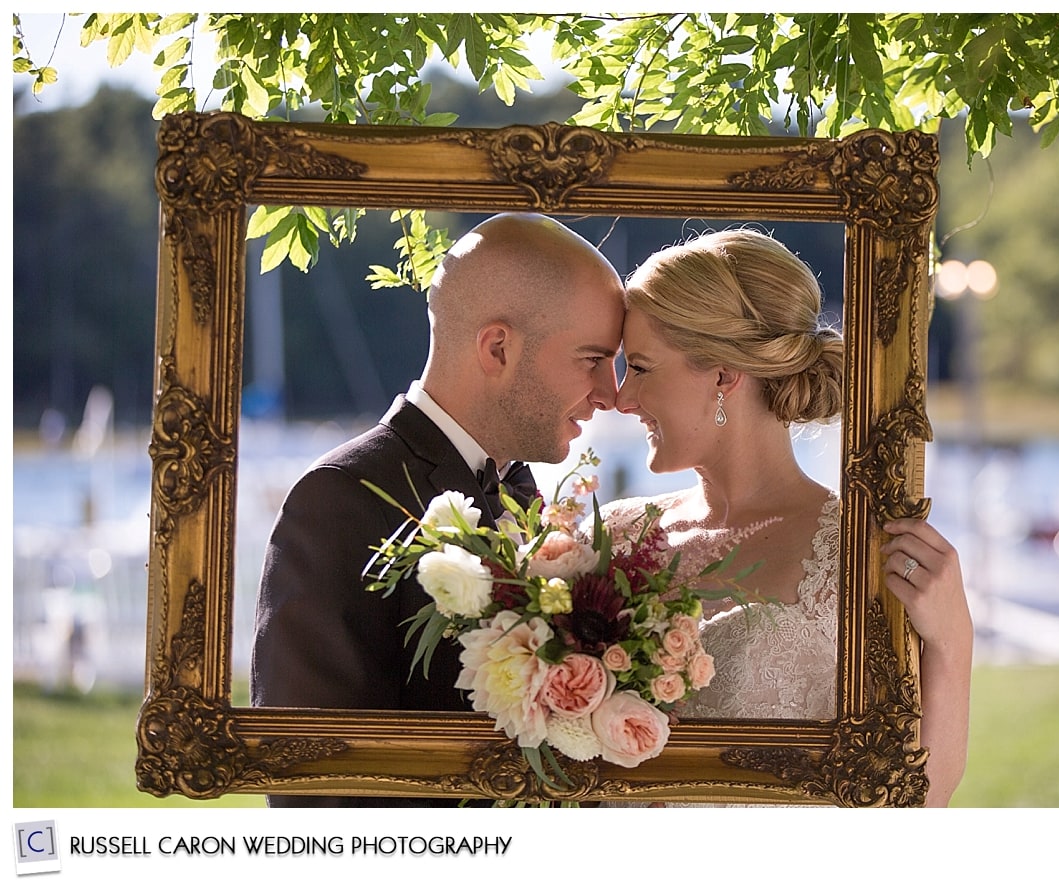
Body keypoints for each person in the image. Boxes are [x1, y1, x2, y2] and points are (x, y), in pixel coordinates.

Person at [250, 212, 625, 807]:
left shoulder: (529, 501)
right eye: (591, 359)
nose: (612, 393)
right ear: (498, 347)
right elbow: (311, 784)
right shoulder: (341, 500)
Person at [602, 228, 973, 807]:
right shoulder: (614, 537)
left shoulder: (862, 551)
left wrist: (952, 640)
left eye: (642, 368)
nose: (622, 399)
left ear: (724, 374)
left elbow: (917, 798)